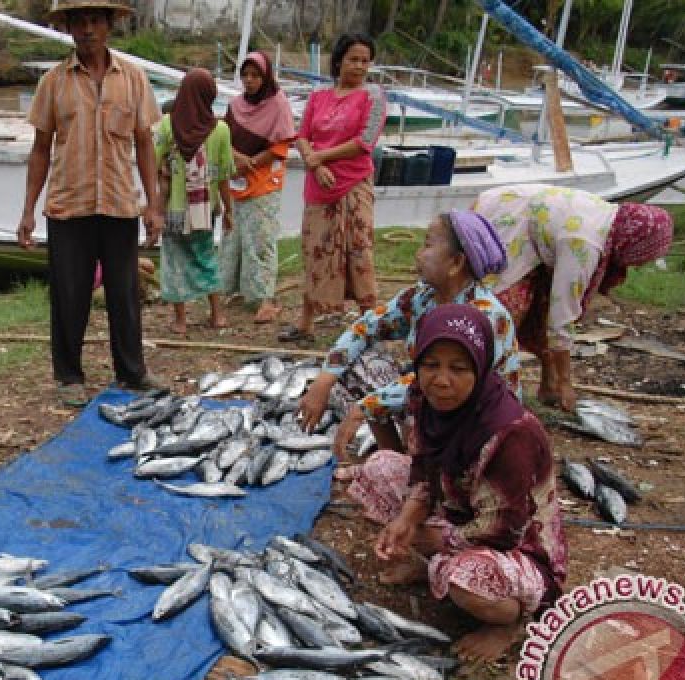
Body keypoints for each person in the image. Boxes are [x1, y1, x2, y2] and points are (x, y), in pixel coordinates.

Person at [343, 304, 567, 662]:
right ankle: (435, 566)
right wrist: (408, 517)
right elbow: (423, 468)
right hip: (460, 511)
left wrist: (437, 538)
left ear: (480, 367)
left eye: (458, 368)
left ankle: (512, 623)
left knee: (468, 581)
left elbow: (504, 529)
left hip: (518, 546)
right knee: (381, 467)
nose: (441, 380)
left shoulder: (511, 433)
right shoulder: (426, 398)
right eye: (431, 365)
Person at [17, 0, 164, 408]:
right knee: (69, 294)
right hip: (69, 204)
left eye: (94, 21)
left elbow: (145, 145)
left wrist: (154, 205)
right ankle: (68, 375)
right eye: (78, 21)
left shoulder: (133, 78)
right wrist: (28, 211)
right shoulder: (53, 82)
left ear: (109, 26)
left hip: (119, 203)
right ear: (67, 28)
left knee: (124, 292)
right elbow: (41, 149)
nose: (87, 29)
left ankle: (132, 373)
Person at [298, 211, 521, 466]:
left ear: (456, 263)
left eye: (427, 244)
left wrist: (365, 407)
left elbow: (448, 380)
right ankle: (398, 459)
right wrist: (324, 381)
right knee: (360, 365)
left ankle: (427, 468)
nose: (418, 253)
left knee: (388, 399)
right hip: (433, 389)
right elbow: (365, 328)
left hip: (477, 413)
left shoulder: (486, 316)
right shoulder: (421, 297)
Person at [474, 184, 674, 412]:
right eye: (643, 256)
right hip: (506, 217)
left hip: (529, 225)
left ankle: (547, 383)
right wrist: (566, 384)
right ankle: (485, 391)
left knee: (541, 302)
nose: (639, 264)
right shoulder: (586, 244)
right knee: (500, 311)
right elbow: (562, 316)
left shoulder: (608, 220)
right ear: (634, 243)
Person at [280, 32, 386, 344]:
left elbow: (365, 142)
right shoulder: (318, 96)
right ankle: (306, 323)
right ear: (339, 60)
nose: (359, 66)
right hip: (319, 185)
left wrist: (319, 156)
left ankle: (372, 325)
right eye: (354, 59)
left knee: (359, 251)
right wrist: (316, 164)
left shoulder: (374, 97)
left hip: (354, 184)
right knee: (315, 252)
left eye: (365, 61)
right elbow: (302, 135)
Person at [154, 68, 235, 336]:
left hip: (174, 209)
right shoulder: (220, 130)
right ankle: (218, 313)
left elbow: (155, 163)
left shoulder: (167, 125)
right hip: (205, 210)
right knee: (205, 257)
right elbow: (223, 175)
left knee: (175, 261)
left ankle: (180, 320)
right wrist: (228, 210)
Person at [219, 51, 295, 324]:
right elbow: (224, 136)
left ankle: (264, 298)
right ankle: (233, 289)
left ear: (266, 77)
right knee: (233, 237)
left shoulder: (278, 104)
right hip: (236, 178)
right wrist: (237, 160)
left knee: (260, 239)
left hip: (264, 179)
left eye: (255, 75)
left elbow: (281, 144)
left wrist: (251, 162)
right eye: (245, 75)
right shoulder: (236, 105)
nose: (249, 81)